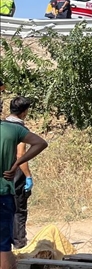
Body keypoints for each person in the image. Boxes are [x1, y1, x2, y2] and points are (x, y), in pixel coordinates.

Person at [0, 105, 48, 269]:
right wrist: (16, 164)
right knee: (4, 246)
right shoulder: (13, 129)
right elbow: (41, 143)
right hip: (4, 192)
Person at [5, 97, 35, 250]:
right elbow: (20, 155)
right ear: (24, 112)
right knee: (19, 210)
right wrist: (28, 176)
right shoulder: (20, 129)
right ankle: (20, 244)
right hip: (15, 173)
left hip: (3, 171)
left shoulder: (3, 125)